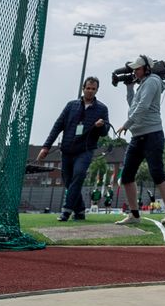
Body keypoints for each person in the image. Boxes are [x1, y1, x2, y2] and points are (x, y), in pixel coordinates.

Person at [35, 76, 111, 222]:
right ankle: (80, 210)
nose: (90, 91)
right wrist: (46, 146)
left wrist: (102, 126)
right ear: (83, 88)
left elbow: (104, 132)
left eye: (93, 89)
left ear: (97, 90)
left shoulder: (102, 108)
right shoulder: (71, 105)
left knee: (79, 175)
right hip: (67, 150)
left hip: (85, 150)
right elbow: (57, 126)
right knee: (69, 181)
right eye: (88, 88)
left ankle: (66, 211)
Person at [113, 57, 165, 226]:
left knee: (157, 172)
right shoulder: (144, 83)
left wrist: (126, 124)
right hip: (138, 136)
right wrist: (129, 88)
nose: (134, 72)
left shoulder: (152, 81)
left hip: (152, 134)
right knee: (126, 176)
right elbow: (134, 105)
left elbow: (143, 107)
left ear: (147, 69)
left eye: (137, 69)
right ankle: (134, 214)